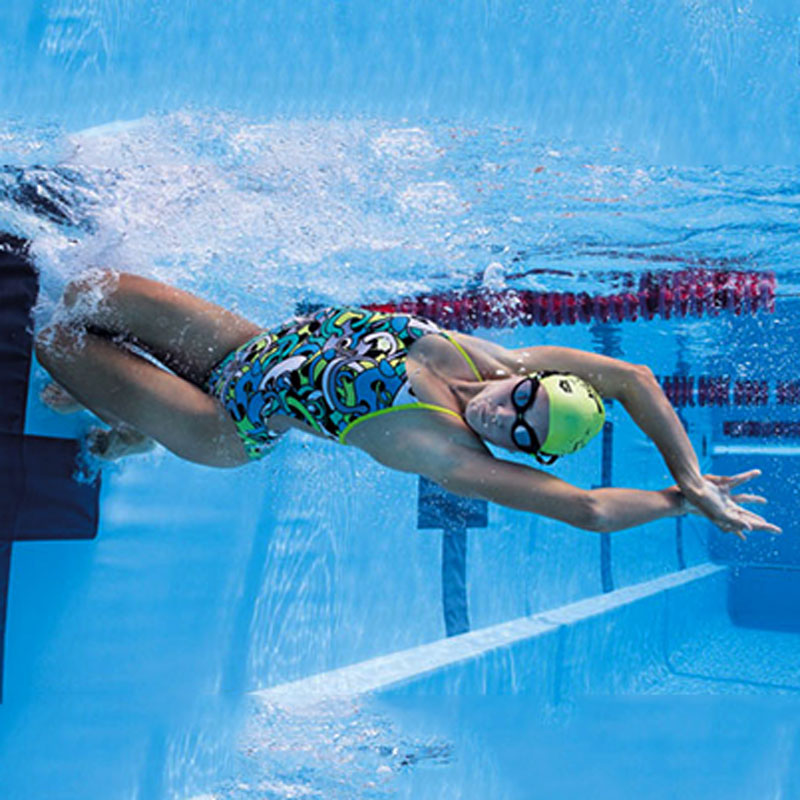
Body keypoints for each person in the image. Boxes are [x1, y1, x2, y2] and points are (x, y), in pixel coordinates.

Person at [34, 269, 780, 540]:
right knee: (87, 292)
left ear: (523, 454)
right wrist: (692, 472)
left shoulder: (454, 456)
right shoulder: (499, 359)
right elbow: (636, 379)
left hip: (229, 426)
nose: (506, 418)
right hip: (243, 351)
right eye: (524, 401)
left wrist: (679, 504)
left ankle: (140, 425)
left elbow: (587, 511)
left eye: (523, 435)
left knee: (56, 342)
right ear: (533, 376)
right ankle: (132, 412)